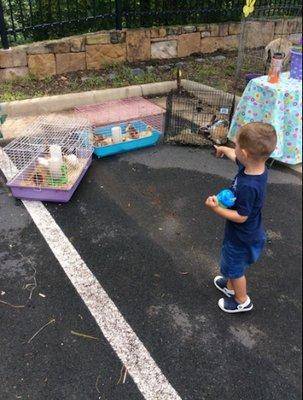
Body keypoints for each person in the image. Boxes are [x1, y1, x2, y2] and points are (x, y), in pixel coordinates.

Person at [205, 122, 277, 313]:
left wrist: (216, 209)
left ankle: (241, 300)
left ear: (244, 153)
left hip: (242, 236)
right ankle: (229, 287)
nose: (233, 148)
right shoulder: (255, 167)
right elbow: (234, 156)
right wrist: (223, 149)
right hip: (246, 234)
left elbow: (241, 216)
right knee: (231, 264)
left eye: (235, 145)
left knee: (235, 269)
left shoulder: (248, 186)